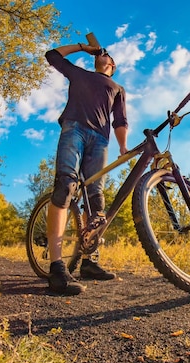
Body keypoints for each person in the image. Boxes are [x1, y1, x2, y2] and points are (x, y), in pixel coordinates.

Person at [44, 41, 128, 296]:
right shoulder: (80, 74)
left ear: (111, 66)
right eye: (100, 55)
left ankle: (90, 261)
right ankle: (57, 268)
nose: (103, 56)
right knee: (66, 187)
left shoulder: (117, 88)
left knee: (96, 200)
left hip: (101, 140)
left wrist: (123, 148)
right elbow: (52, 56)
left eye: (107, 56)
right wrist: (83, 47)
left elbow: (121, 120)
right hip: (75, 129)